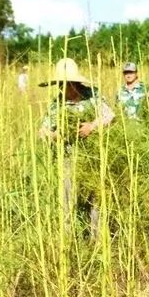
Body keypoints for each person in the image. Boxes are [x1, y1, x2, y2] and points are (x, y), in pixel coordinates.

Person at [38, 58, 114, 237]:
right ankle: (70, 240)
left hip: (93, 156)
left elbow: (110, 116)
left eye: (67, 84)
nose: (64, 88)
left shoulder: (92, 96)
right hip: (68, 158)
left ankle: (97, 239)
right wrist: (58, 135)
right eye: (60, 84)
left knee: (96, 199)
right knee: (67, 199)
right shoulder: (56, 104)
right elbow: (43, 132)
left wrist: (92, 126)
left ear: (75, 82)